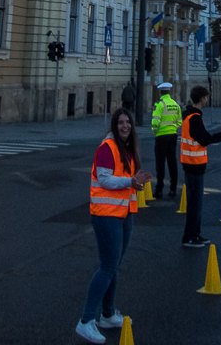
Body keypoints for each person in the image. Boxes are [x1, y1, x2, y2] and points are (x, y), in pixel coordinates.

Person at [76, 108, 151, 343]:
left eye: (128, 122)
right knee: (107, 267)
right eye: (121, 122)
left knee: (113, 266)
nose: (125, 126)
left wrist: (136, 184)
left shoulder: (127, 149)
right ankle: (86, 321)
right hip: (107, 215)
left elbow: (125, 179)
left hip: (123, 213)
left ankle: (107, 315)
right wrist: (131, 181)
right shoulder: (107, 148)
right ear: (114, 125)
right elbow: (105, 179)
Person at [180, 85, 221, 247]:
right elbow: (204, 139)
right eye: (206, 97)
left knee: (195, 201)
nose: (207, 99)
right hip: (194, 164)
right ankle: (190, 236)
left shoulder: (190, 115)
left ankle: (195, 234)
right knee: (195, 203)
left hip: (191, 164)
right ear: (202, 98)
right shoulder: (194, 117)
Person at [151, 81, 182, 199]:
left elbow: (155, 122)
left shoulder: (159, 104)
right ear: (169, 92)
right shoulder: (175, 104)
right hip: (173, 135)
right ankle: (173, 188)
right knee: (172, 162)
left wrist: (156, 132)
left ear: (160, 92)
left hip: (161, 136)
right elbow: (179, 122)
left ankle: (159, 189)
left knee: (160, 164)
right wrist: (173, 128)